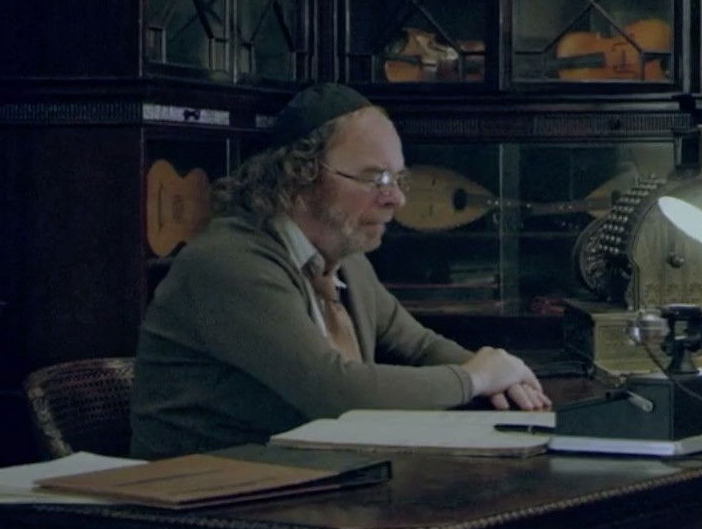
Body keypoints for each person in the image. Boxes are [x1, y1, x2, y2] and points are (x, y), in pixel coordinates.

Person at [130, 83, 549, 458]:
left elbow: (418, 346)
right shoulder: (229, 263)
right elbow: (337, 392)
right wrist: (474, 378)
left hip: (301, 484)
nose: (397, 199)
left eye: (398, 179)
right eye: (375, 178)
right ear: (299, 177)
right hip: (203, 499)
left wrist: (504, 378)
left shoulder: (346, 262)